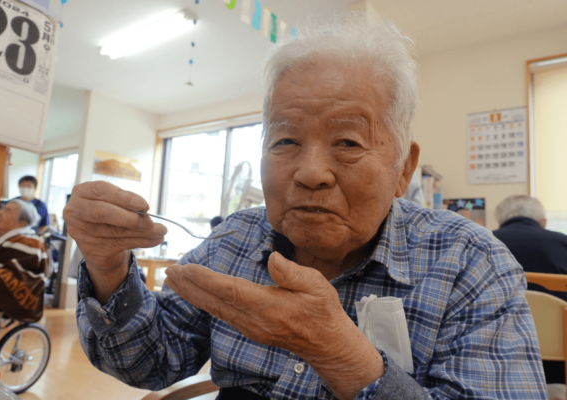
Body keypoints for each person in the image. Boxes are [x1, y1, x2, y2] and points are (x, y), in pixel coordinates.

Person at [65, 15, 546, 399]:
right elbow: (149, 362)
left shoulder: (470, 261)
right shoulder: (235, 240)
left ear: (404, 168)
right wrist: (108, 266)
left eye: (348, 141)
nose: (310, 171)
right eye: (286, 139)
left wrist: (339, 353)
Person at [493, 194, 567, 386]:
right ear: (543, 221)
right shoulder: (562, 242)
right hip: (559, 364)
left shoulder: (483, 241)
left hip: (497, 356)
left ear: (501, 222)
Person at [0, 199, 47, 322]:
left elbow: (22, 277)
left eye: (7, 211)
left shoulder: (31, 243)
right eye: (2, 209)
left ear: (21, 223)